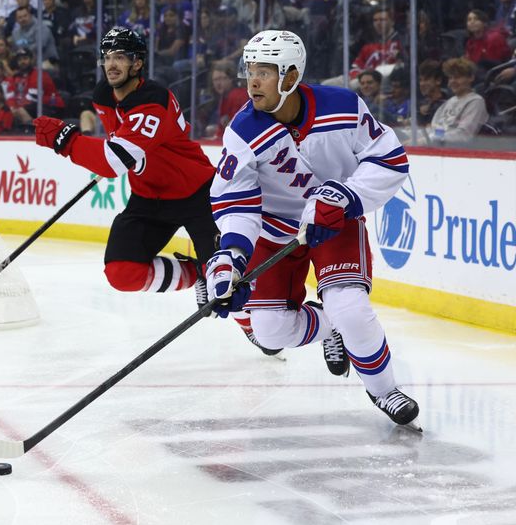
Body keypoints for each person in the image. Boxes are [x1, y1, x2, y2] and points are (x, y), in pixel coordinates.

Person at [206, 30, 421, 429]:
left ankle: (384, 389)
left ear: (290, 77)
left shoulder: (342, 107)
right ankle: (329, 328)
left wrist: (342, 196)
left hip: (334, 223)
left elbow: (389, 160)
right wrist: (232, 255)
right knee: (270, 333)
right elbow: (235, 198)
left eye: (265, 72)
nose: (252, 81)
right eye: (250, 70)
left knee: (351, 308)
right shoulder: (244, 130)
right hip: (274, 231)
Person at [31, 27, 264, 352]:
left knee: (224, 283)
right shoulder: (103, 96)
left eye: (121, 57)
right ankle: (195, 270)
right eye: (107, 57)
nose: (111, 64)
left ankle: (253, 324)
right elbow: (120, 144)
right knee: (121, 272)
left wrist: (67, 141)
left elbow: (114, 162)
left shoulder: (152, 101)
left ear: (138, 63)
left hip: (197, 192)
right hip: (148, 196)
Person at [424, 57, 489, 145]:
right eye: (450, 78)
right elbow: (431, 129)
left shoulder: (476, 102)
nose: (452, 81)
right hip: (433, 148)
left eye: (457, 77)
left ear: (471, 78)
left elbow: (463, 135)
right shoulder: (447, 103)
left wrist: (430, 139)